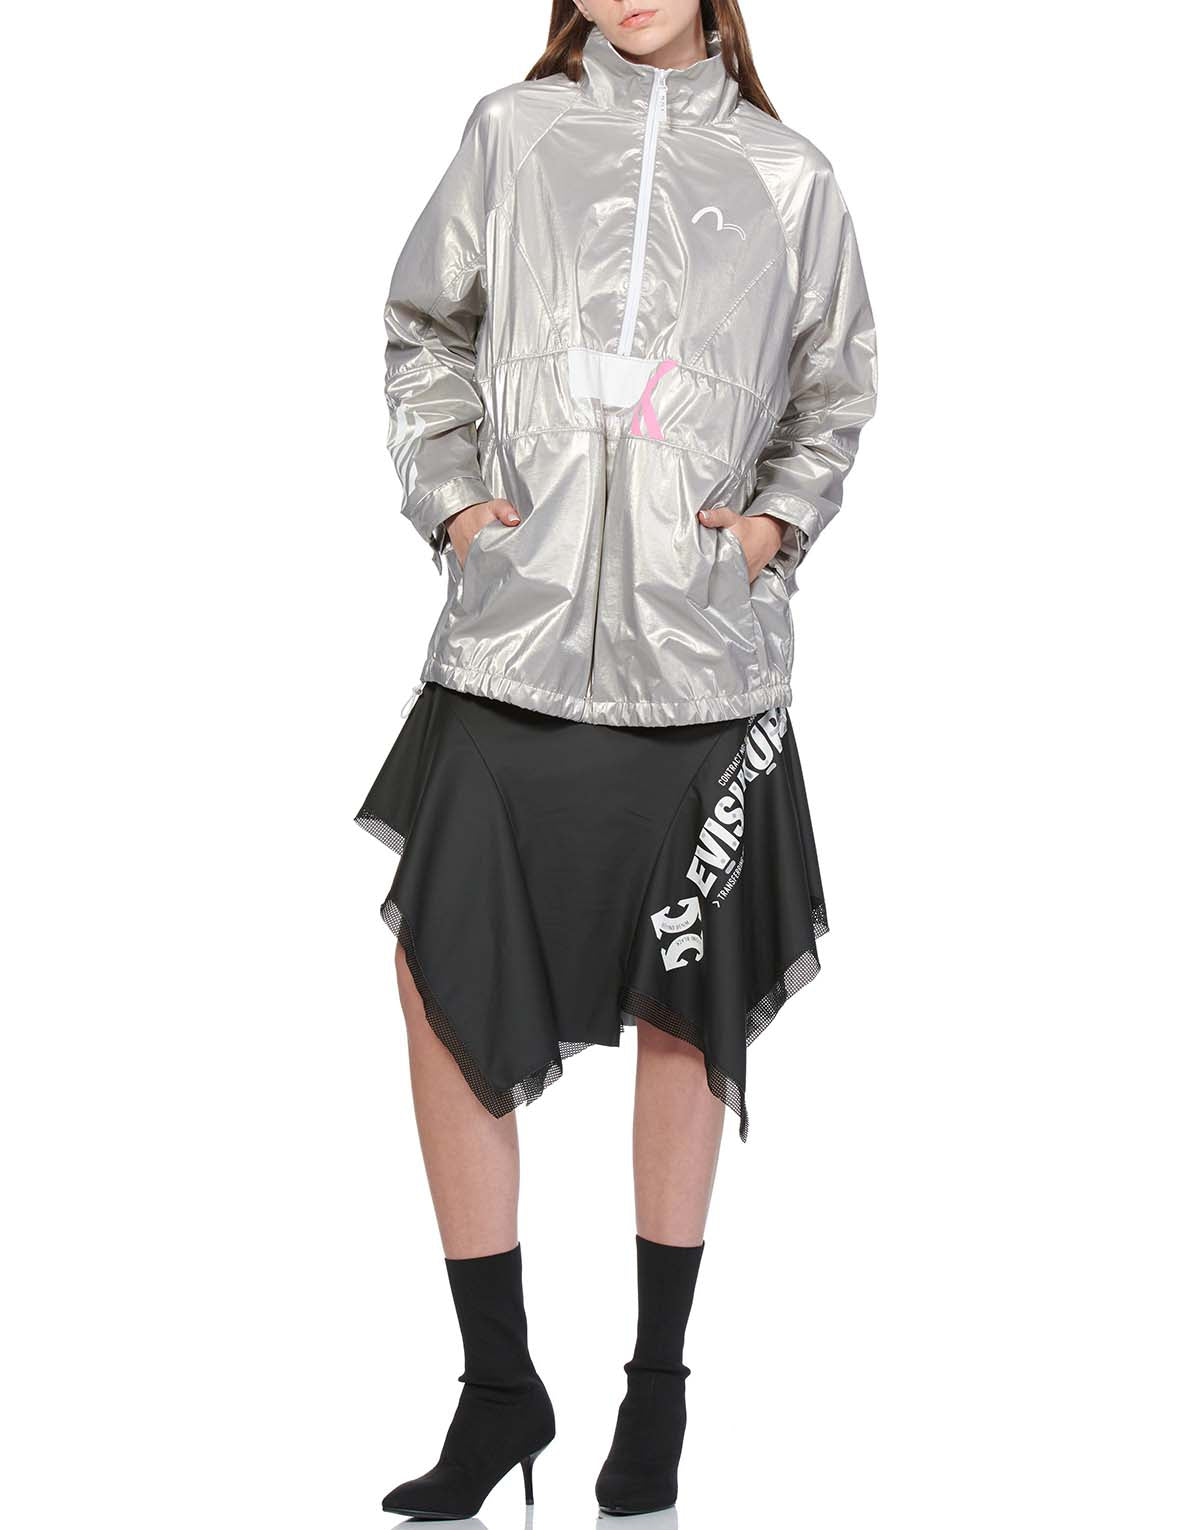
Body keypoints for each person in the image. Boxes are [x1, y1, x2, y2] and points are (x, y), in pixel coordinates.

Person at [355, 0, 876, 1516]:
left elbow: (834, 390)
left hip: (703, 665)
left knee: (686, 1009)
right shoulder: (512, 135)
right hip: (509, 643)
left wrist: (769, 529)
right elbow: (426, 328)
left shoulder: (787, 174)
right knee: (442, 979)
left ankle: (657, 1391)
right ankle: (498, 1388)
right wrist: (457, 506)